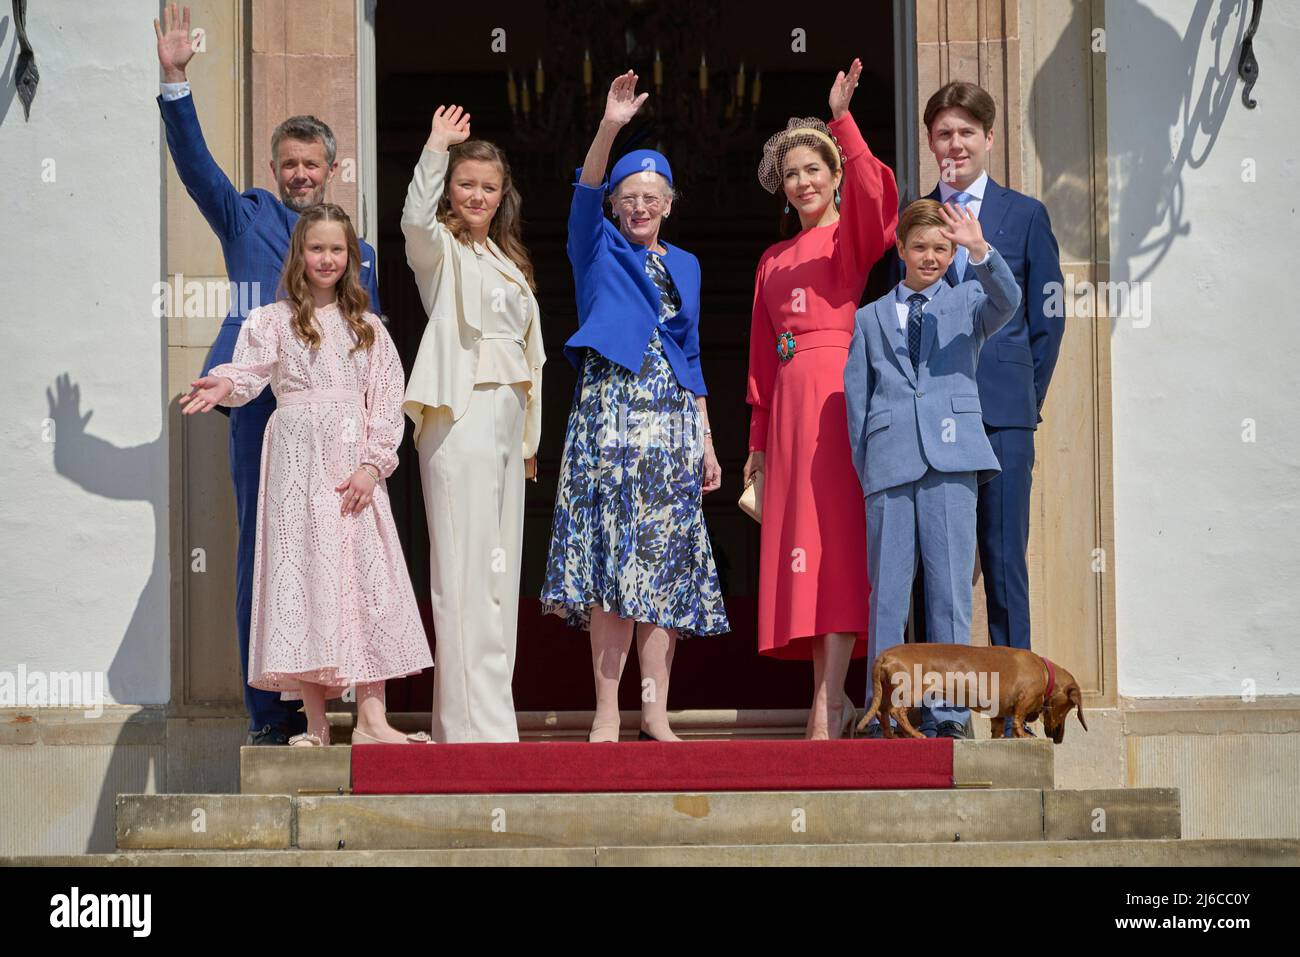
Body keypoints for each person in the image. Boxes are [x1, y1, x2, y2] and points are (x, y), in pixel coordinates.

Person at [154, 4, 382, 745]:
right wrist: (175, 78)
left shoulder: (355, 247)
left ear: (331, 169)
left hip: (336, 420)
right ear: (276, 168)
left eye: (312, 165)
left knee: (342, 546)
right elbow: (195, 169)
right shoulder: (243, 213)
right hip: (259, 404)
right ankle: (271, 712)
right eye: (289, 164)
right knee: (268, 546)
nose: (300, 174)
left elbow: (365, 342)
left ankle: (342, 692)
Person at [180, 204, 433, 746]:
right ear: (300, 254)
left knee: (366, 577)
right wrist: (224, 383)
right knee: (304, 575)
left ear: (351, 257)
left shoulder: (368, 329)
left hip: (352, 469)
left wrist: (372, 464)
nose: (326, 258)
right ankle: (316, 722)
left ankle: (372, 720)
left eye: (336, 249)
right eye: (316, 248)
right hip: (296, 464)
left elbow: (387, 403)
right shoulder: (271, 320)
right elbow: (247, 374)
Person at [541, 71, 729, 743]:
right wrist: (610, 126)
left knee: (662, 568)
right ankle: (607, 712)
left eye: (651, 197)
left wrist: (706, 439)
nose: (640, 206)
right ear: (616, 205)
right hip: (609, 418)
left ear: (669, 204)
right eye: (630, 197)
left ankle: (654, 711)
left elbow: (693, 353)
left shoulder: (691, 266)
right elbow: (585, 189)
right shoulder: (594, 247)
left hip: (671, 423)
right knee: (610, 566)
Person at [744, 60, 899, 739]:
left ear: (832, 175)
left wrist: (841, 117)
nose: (803, 181)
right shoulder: (772, 260)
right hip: (787, 414)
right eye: (793, 173)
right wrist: (755, 440)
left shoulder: (848, 240)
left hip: (841, 400)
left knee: (835, 548)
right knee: (801, 548)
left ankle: (828, 702)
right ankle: (821, 692)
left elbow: (877, 197)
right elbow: (759, 357)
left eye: (814, 169)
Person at [918, 81, 1066, 736]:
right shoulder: (914, 216)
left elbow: (1047, 320)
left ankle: (1014, 719)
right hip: (932, 420)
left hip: (1003, 415)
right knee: (938, 568)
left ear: (988, 138)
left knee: (1003, 562)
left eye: (965, 132)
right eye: (943, 133)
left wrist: (1021, 399)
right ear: (931, 142)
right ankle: (939, 713)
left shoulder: (1025, 214)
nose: (955, 143)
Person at [844, 199, 1021, 738]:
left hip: (952, 463)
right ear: (899, 250)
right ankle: (884, 712)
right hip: (890, 465)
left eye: (941, 249)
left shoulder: (970, 300)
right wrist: (871, 465)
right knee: (889, 595)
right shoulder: (868, 317)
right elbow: (857, 402)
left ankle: (948, 712)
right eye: (919, 247)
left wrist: (979, 249)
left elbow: (1008, 300)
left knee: (948, 590)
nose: (930, 257)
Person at [400, 105, 545, 743]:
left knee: (497, 572)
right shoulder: (440, 251)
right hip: (458, 415)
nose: (478, 195)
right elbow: (411, 219)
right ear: (451, 192)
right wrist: (437, 147)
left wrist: (527, 438)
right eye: (467, 184)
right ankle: (467, 730)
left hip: (506, 422)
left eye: (488, 186)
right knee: (460, 572)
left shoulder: (508, 259)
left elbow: (529, 357)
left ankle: (493, 720)